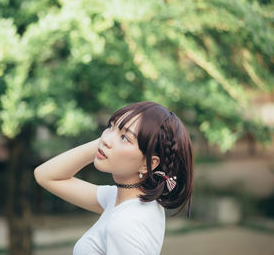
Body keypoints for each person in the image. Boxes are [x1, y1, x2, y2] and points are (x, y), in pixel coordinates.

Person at [34, 101, 194, 254]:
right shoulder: (128, 201)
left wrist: (108, 142)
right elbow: (46, 176)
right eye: (111, 126)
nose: (105, 138)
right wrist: (106, 142)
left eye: (125, 138)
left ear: (148, 164)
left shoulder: (125, 224)